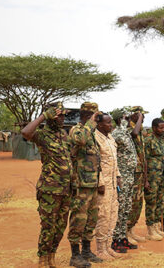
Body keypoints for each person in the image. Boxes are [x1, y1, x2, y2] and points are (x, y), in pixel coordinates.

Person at [22, 103, 75, 268]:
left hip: (66, 189)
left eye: (63, 115)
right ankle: (42, 259)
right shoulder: (42, 135)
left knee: (60, 226)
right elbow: (25, 132)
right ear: (51, 116)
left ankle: (52, 256)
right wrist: (44, 115)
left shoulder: (64, 135)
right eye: (59, 115)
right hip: (49, 190)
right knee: (48, 226)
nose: (62, 118)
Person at [67, 102, 104, 266]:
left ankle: (87, 251)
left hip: (92, 185)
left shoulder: (92, 134)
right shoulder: (78, 130)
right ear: (87, 115)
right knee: (78, 220)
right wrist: (91, 122)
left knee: (91, 220)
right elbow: (80, 140)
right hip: (80, 185)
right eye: (94, 116)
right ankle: (75, 256)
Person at [110, 106, 144, 251]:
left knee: (126, 208)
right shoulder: (117, 133)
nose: (129, 121)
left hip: (130, 176)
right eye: (126, 118)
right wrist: (137, 118)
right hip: (122, 177)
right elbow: (135, 131)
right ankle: (115, 240)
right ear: (120, 119)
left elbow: (135, 131)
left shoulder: (126, 132)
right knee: (120, 207)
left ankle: (123, 238)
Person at [94, 113, 123, 260]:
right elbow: (95, 162)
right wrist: (100, 182)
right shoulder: (95, 138)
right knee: (103, 215)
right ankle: (100, 249)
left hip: (113, 182)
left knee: (113, 213)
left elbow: (114, 160)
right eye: (108, 123)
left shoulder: (110, 137)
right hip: (103, 184)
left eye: (111, 122)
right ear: (99, 125)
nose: (111, 125)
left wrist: (118, 176)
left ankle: (108, 246)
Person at [126, 109, 148, 244]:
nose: (143, 117)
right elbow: (133, 133)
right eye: (140, 115)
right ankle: (125, 231)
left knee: (138, 202)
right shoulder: (130, 128)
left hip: (140, 171)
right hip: (132, 172)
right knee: (131, 202)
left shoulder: (140, 130)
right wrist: (138, 119)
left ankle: (131, 229)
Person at [143, 117, 164, 240]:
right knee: (151, 202)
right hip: (152, 176)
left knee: (160, 200)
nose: (163, 130)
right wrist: (145, 179)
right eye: (160, 128)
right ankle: (150, 229)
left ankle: (157, 227)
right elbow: (144, 160)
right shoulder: (148, 140)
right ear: (154, 128)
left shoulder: (162, 140)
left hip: (162, 175)